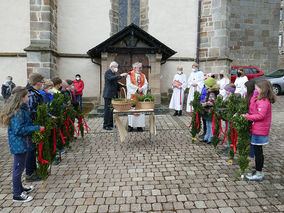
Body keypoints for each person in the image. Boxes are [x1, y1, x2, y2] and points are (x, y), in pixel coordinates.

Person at [0, 87, 44, 202]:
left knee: (20, 167)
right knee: (18, 169)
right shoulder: (18, 112)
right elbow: (19, 130)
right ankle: (17, 194)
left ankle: (20, 187)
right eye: (27, 96)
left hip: (22, 143)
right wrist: (37, 128)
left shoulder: (21, 109)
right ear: (21, 98)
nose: (29, 97)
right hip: (19, 144)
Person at [243, 80, 276, 181]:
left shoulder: (264, 101)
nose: (255, 89)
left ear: (263, 89)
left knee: (258, 153)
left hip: (260, 131)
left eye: (257, 88)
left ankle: (259, 173)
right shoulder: (260, 99)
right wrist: (254, 96)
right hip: (257, 129)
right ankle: (258, 170)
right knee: (258, 152)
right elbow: (253, 109)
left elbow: (260, 115)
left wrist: (247, 117)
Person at [25, 73, 45, 182]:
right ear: (38, 82)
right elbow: (31, 111)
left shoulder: (34, 93)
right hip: (31, 125)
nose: (43, 84)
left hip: (34, 125)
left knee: (33, 149)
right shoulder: (32, 94)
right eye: (42, 82)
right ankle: (29, 174)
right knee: (30, 150)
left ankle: (33, 170)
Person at [103, 61, 128, 130]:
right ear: (111, 67)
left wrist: (122, 86)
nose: (117, 68)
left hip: (113, 94)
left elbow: (114, 83)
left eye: (117, 67)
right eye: (116, 67)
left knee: (112, 110)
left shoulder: (113, 73)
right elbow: (111, 78)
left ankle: (110, 124)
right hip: (108, 95)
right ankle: (106, 125)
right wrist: (121, 75)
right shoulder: (108, 72)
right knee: (107, 110)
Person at [126, 62, 148, 132]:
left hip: (140, 95)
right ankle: (130, 125)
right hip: (132, 95)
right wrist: (137, 88)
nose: (141, 69)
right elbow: (129, 84)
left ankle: (139, 126)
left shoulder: (143, 75)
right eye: (139, 67)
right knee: (131, 110)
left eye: (141, 67)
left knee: (140, 111)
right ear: (134, 68)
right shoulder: (129, 75)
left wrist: (142, 88)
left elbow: (146, 84)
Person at [201, 77, 219, 144]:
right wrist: (202, 102)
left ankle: (210, 138)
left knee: (211, 125)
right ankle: (206, 137)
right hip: (207, 111)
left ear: (209, 85)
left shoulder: (212, 93)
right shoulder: (208, 91)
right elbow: (206, 99)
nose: (205, 86)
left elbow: (211, 102)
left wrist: (204, 104)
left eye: (206, 84)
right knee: (208, 124)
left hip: (210, 111)